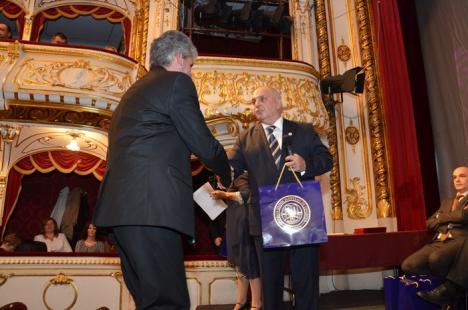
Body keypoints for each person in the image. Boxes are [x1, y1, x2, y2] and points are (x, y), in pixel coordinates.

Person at [93, 30, 231, 309]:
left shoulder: (134, 92)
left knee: (150, 302)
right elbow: (203, 143)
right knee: (169, 303)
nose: (191, 73)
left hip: (121, 214)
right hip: (151, 208)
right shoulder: (176, 82)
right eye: (191, 66)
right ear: (180, 59)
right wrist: (225, 173)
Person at [229, 86, 333, 310]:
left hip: (302, 217)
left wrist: (306, 165)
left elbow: (326, 159)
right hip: (265, 219)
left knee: (305, 281)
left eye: (263, 99)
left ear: (279, 102)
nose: (256, 104)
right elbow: (233, 172)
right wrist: (228, 179)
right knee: (270, 286)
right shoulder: (245, 138)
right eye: (254, 100)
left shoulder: (304, 131)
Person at [401, 166, 468, 277]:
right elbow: (429, 223)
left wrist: (441, 218)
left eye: (462, 176)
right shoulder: (447, 202)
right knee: (408, 265)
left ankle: (449, 289)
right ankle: (443, 284)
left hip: (459, 241)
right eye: (454, 177)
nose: (457, 180)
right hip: (440, 240)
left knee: (436, 259)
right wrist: (447, 224)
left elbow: (463, 216)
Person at [211, 172, 262, 310]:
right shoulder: (231, 181)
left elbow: (245, 195)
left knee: (250, 263)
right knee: (240, 265)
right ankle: (241, 300)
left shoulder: (244, 175)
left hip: (245, 225)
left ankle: (256, 303)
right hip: (234, 224)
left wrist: (225, 195)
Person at [417, 235, 468, 306]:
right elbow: (430, 224)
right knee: (410, 265)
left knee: (436, 258)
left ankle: (451, 288)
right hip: (441, 238)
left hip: (461, 236)